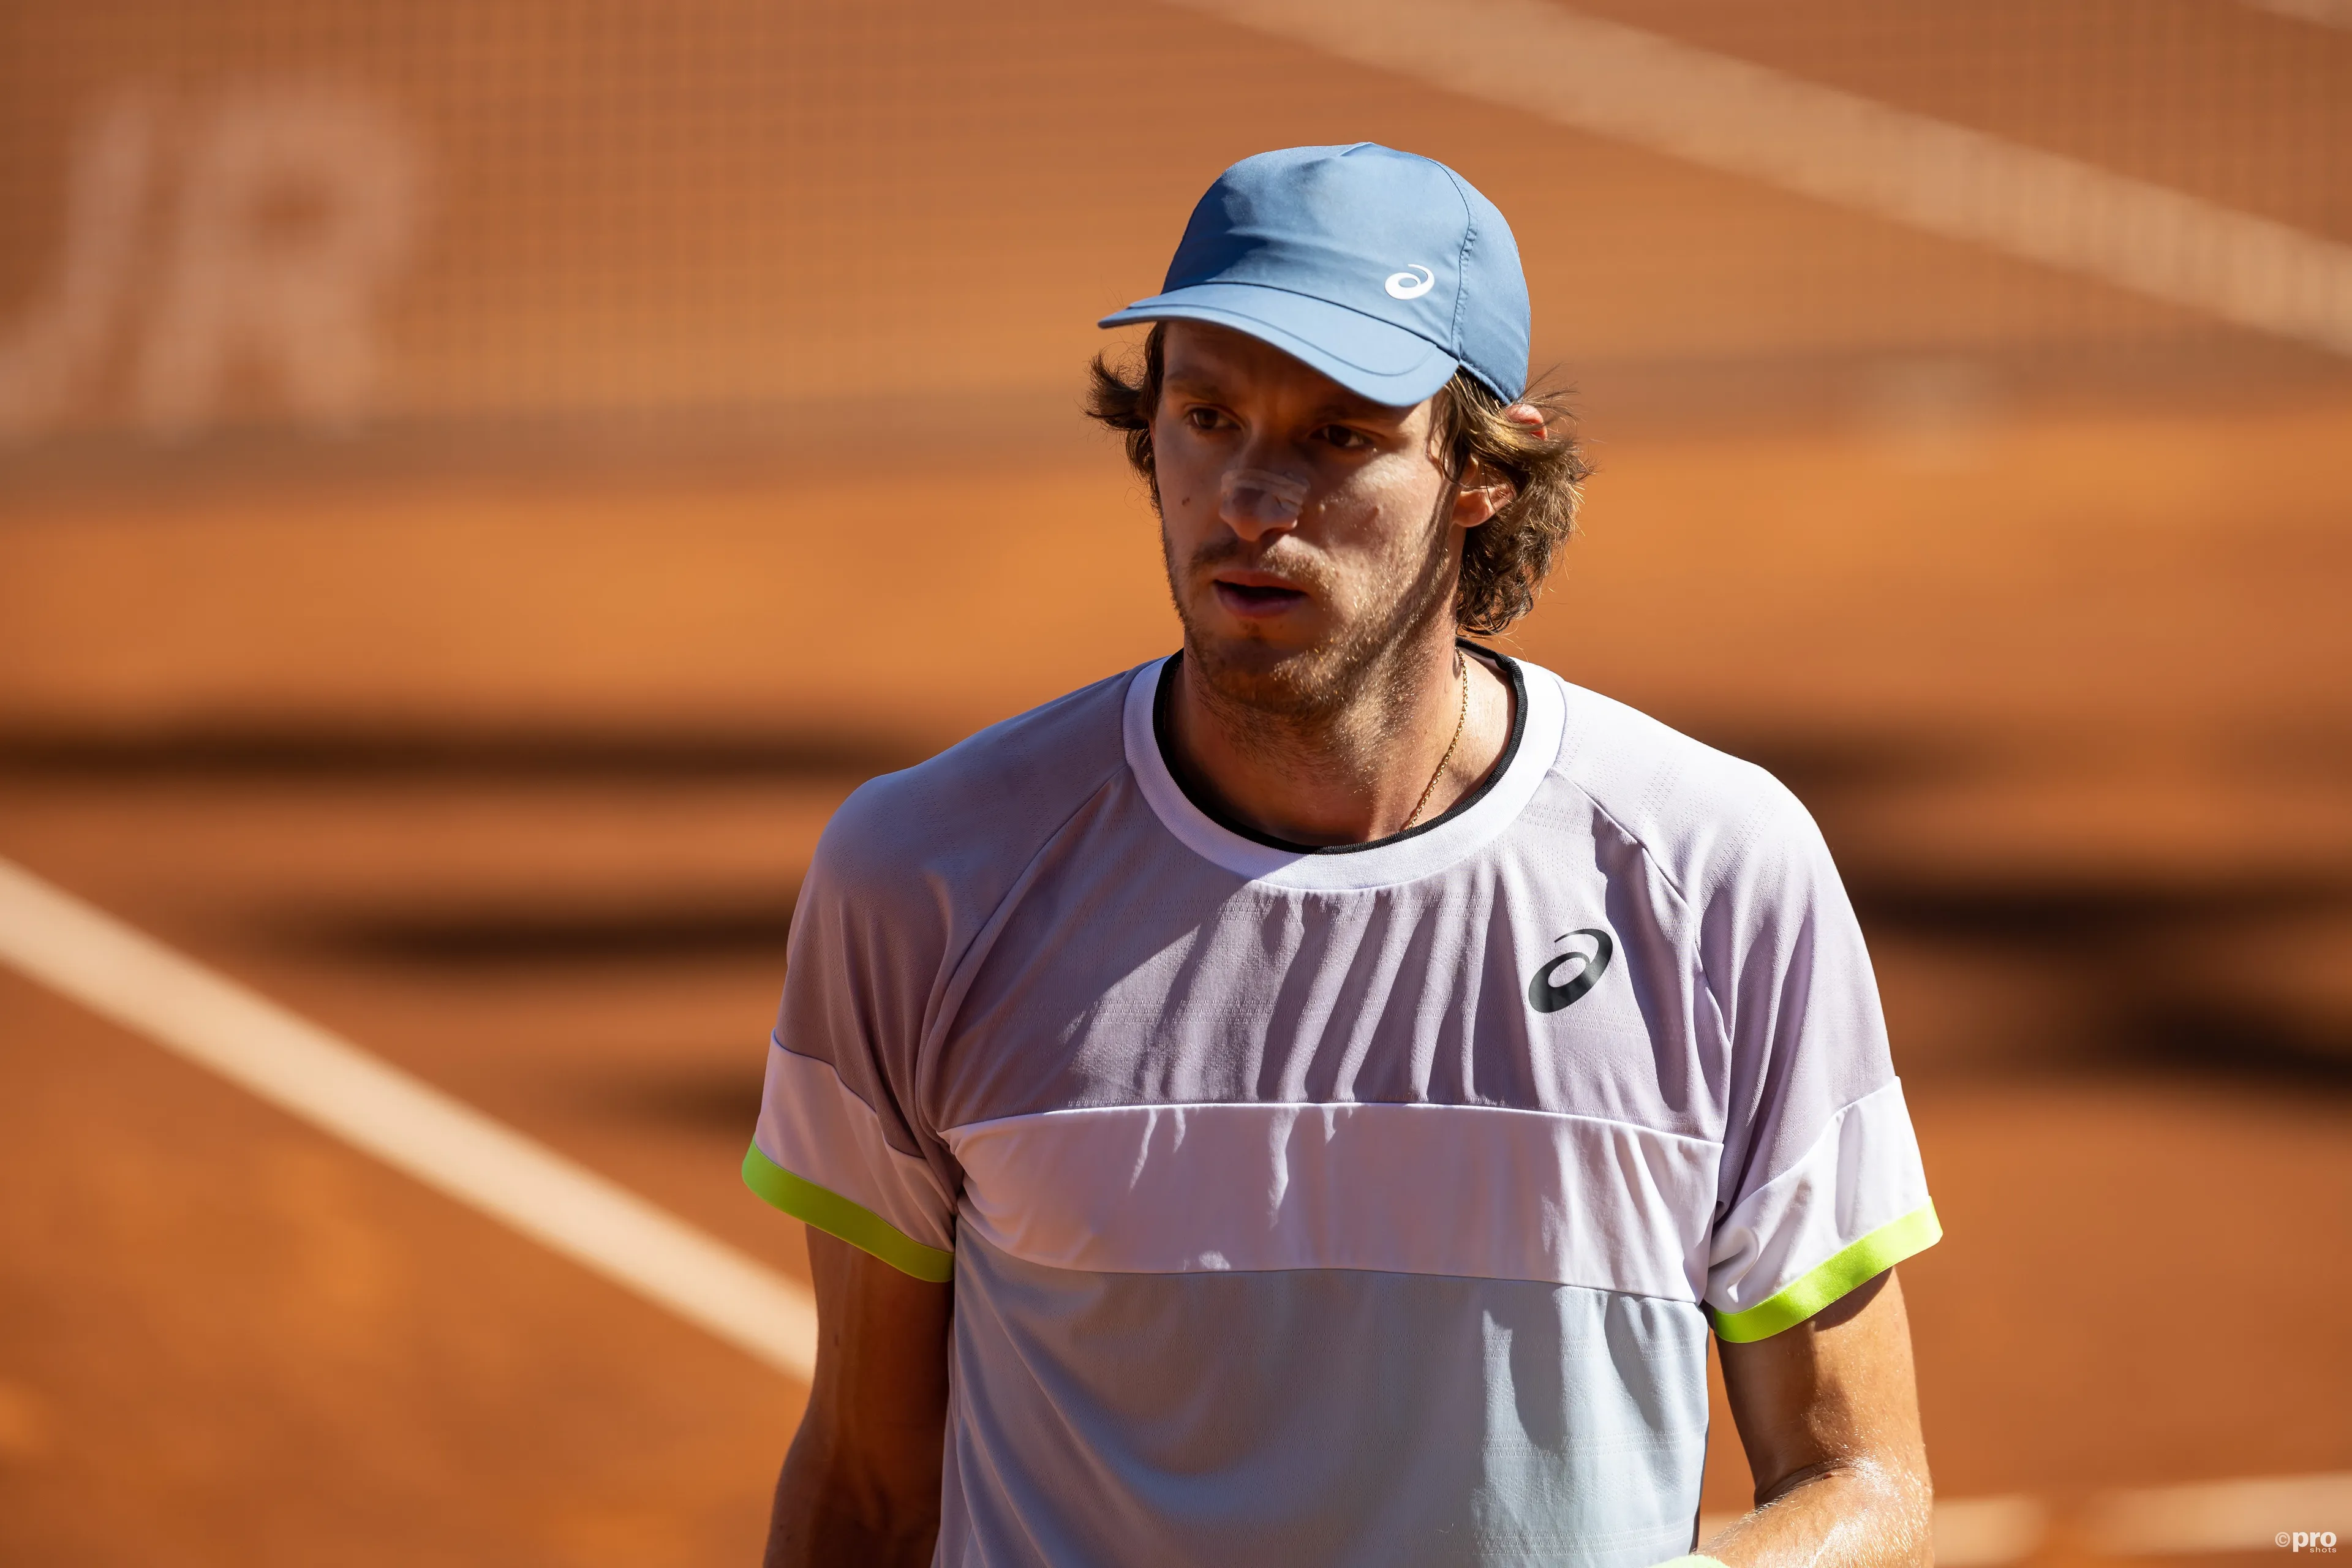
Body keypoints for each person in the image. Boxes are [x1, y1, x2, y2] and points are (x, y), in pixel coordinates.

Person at [745, 143, 1939, 1567]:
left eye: (1342, 434)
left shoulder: (1715, 873)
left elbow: (1864, 1478)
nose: (1253, 496)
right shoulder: (926, 878)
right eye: (1205, 415)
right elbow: (873, 1492)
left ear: (1487, 468)